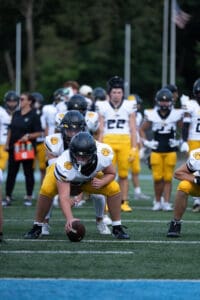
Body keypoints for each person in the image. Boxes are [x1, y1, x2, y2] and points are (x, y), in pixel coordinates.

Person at [24, 111, 111, 238]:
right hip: (63, 176)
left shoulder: (89, 142)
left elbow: (96, 168)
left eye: (76, 129)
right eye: (69, 129)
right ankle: (43, 224)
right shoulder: (54, 142)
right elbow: (54, 170)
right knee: (47, 191)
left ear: (83, 129)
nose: (72, 133)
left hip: (86, 175)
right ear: (62, 128)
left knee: (99, 195)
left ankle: (100, 220)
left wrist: (81, 194)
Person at [54, 132, 130, 239]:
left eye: (84, 156)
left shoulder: (102, 154)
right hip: (68, 181)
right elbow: (63, 196)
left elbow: (112, 173)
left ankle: (116, 227)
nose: (80, 159)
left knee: (113, 188)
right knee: (46, 190)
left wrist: (102, 182)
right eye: (78, 155)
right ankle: (39, 225)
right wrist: (70, 219)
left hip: (88, 179)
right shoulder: (64, 162)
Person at [97, 75, 137, 212]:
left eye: (119, 92)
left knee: (124, 174)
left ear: (123, 93)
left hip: (125, 141)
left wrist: (134, 147)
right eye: (114, 92)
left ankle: (123, 201)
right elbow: (101, 129)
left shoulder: (129, 105)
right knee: (108, 174)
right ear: (109, 93)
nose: (116, 95)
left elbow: (133, 128)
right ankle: (109, 201)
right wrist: (99, 146)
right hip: (108, 142)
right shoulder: (102, 106)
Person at [139, 88, 184, 211]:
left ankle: (166, 202)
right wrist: (147, 142)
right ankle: (157, 201)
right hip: (156, 150)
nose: (164, 103)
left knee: (168, 178)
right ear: (158, 101)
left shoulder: (176, 114)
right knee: (157, 178)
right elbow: (141, 129)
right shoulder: (152, 114)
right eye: (162, 101)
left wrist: (180, 141)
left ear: (171, 102)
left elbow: (184, 128)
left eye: (167, 101)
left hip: (170, 150)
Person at [3, 92, 42, 207]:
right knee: (11, 173)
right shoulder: (16, 113)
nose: (20, 101)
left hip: (27, 149)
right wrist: (7, 144)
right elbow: (10, 129)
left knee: (28, 173)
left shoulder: (34, 115)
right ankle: (8, 196)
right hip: (14, 148)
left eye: (22, 99)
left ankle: (29, 196)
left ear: (29, 101)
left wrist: (28, 136)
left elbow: (39, 132)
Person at [167, 147, 200, 237]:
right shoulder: (198, 154)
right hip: (198, 187)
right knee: (183, 186)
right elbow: (178, 173)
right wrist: (196, 179)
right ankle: (175, 223)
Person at [179, 78, 200, 212]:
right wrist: (184, 141)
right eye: (199, 92)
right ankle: (197, 201)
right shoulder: (190, 105)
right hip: (193, 139)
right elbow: (185, 126)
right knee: (196, 170)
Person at [128, 94, 150, 200]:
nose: (139, 106)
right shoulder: (124, 113)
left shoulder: (139, 116)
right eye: (137, 104)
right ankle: (119, 191)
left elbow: (136, 131)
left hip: (135, 145)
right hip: (125, 144)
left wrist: (141, 145)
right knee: (121, 172)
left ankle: (137, 192)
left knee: (136, 170)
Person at [32, 92, 46, 184]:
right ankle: (30, 191)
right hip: (31, 143)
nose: (36, 104)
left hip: (42, 143)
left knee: (43, 168)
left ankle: (43, 189)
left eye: (38, 102)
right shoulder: (28, 114)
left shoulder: (45, 114)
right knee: (29, 169)